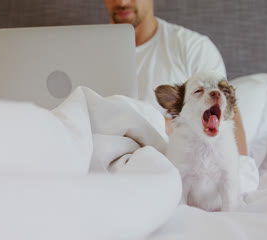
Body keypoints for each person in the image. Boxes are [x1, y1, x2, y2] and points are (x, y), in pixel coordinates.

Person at [104, 0, 248, 156]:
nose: (122, 2)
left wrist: (162, 125)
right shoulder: (86, 50)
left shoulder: (194, 48)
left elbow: (237, 145)